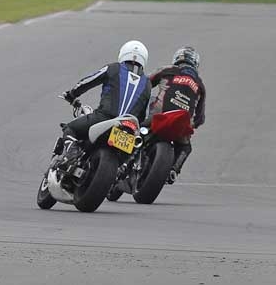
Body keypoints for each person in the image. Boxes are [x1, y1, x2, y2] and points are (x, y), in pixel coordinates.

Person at [57, 40, 152, 159]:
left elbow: (88, 81)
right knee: (131, 161)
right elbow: (143, 114)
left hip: (105, 117)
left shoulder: (114, 68)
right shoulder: (147, 83)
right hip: (129, 127)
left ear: (123, 53)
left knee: (70, 129)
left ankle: (72, 155)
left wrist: (72, 94)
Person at [147, 46, 206, 184]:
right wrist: (191, 125)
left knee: (141, 117)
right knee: (186, 146)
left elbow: (145, 83)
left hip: (158, 115)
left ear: (177, 59)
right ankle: (173, 170)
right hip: (180, 124)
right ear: (195, 63)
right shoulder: (200, 85)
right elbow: (200, 118)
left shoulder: (168, 70)